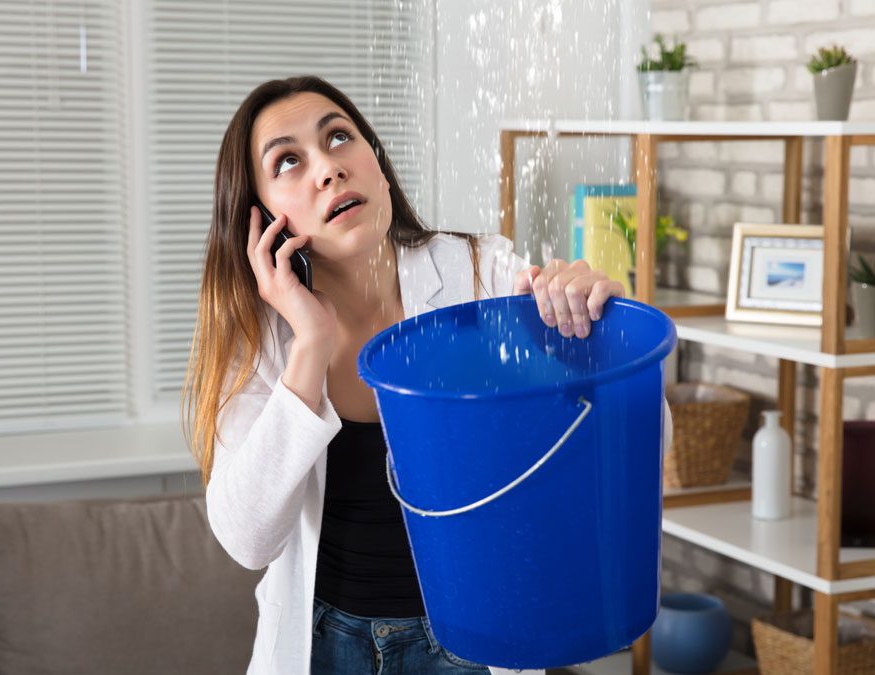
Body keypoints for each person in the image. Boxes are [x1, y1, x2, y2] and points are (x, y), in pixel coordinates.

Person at [183, 75, 631, 675]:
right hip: (321, 644)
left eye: (339, 138)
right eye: (288, 160)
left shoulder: (484, 275)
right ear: (262, 219)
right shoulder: (258, 337)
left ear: (378, 165)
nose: (328, 169)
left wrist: (601, 342)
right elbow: (248, 542)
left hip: (472, 640)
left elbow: (637, 449)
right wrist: (311, 343)